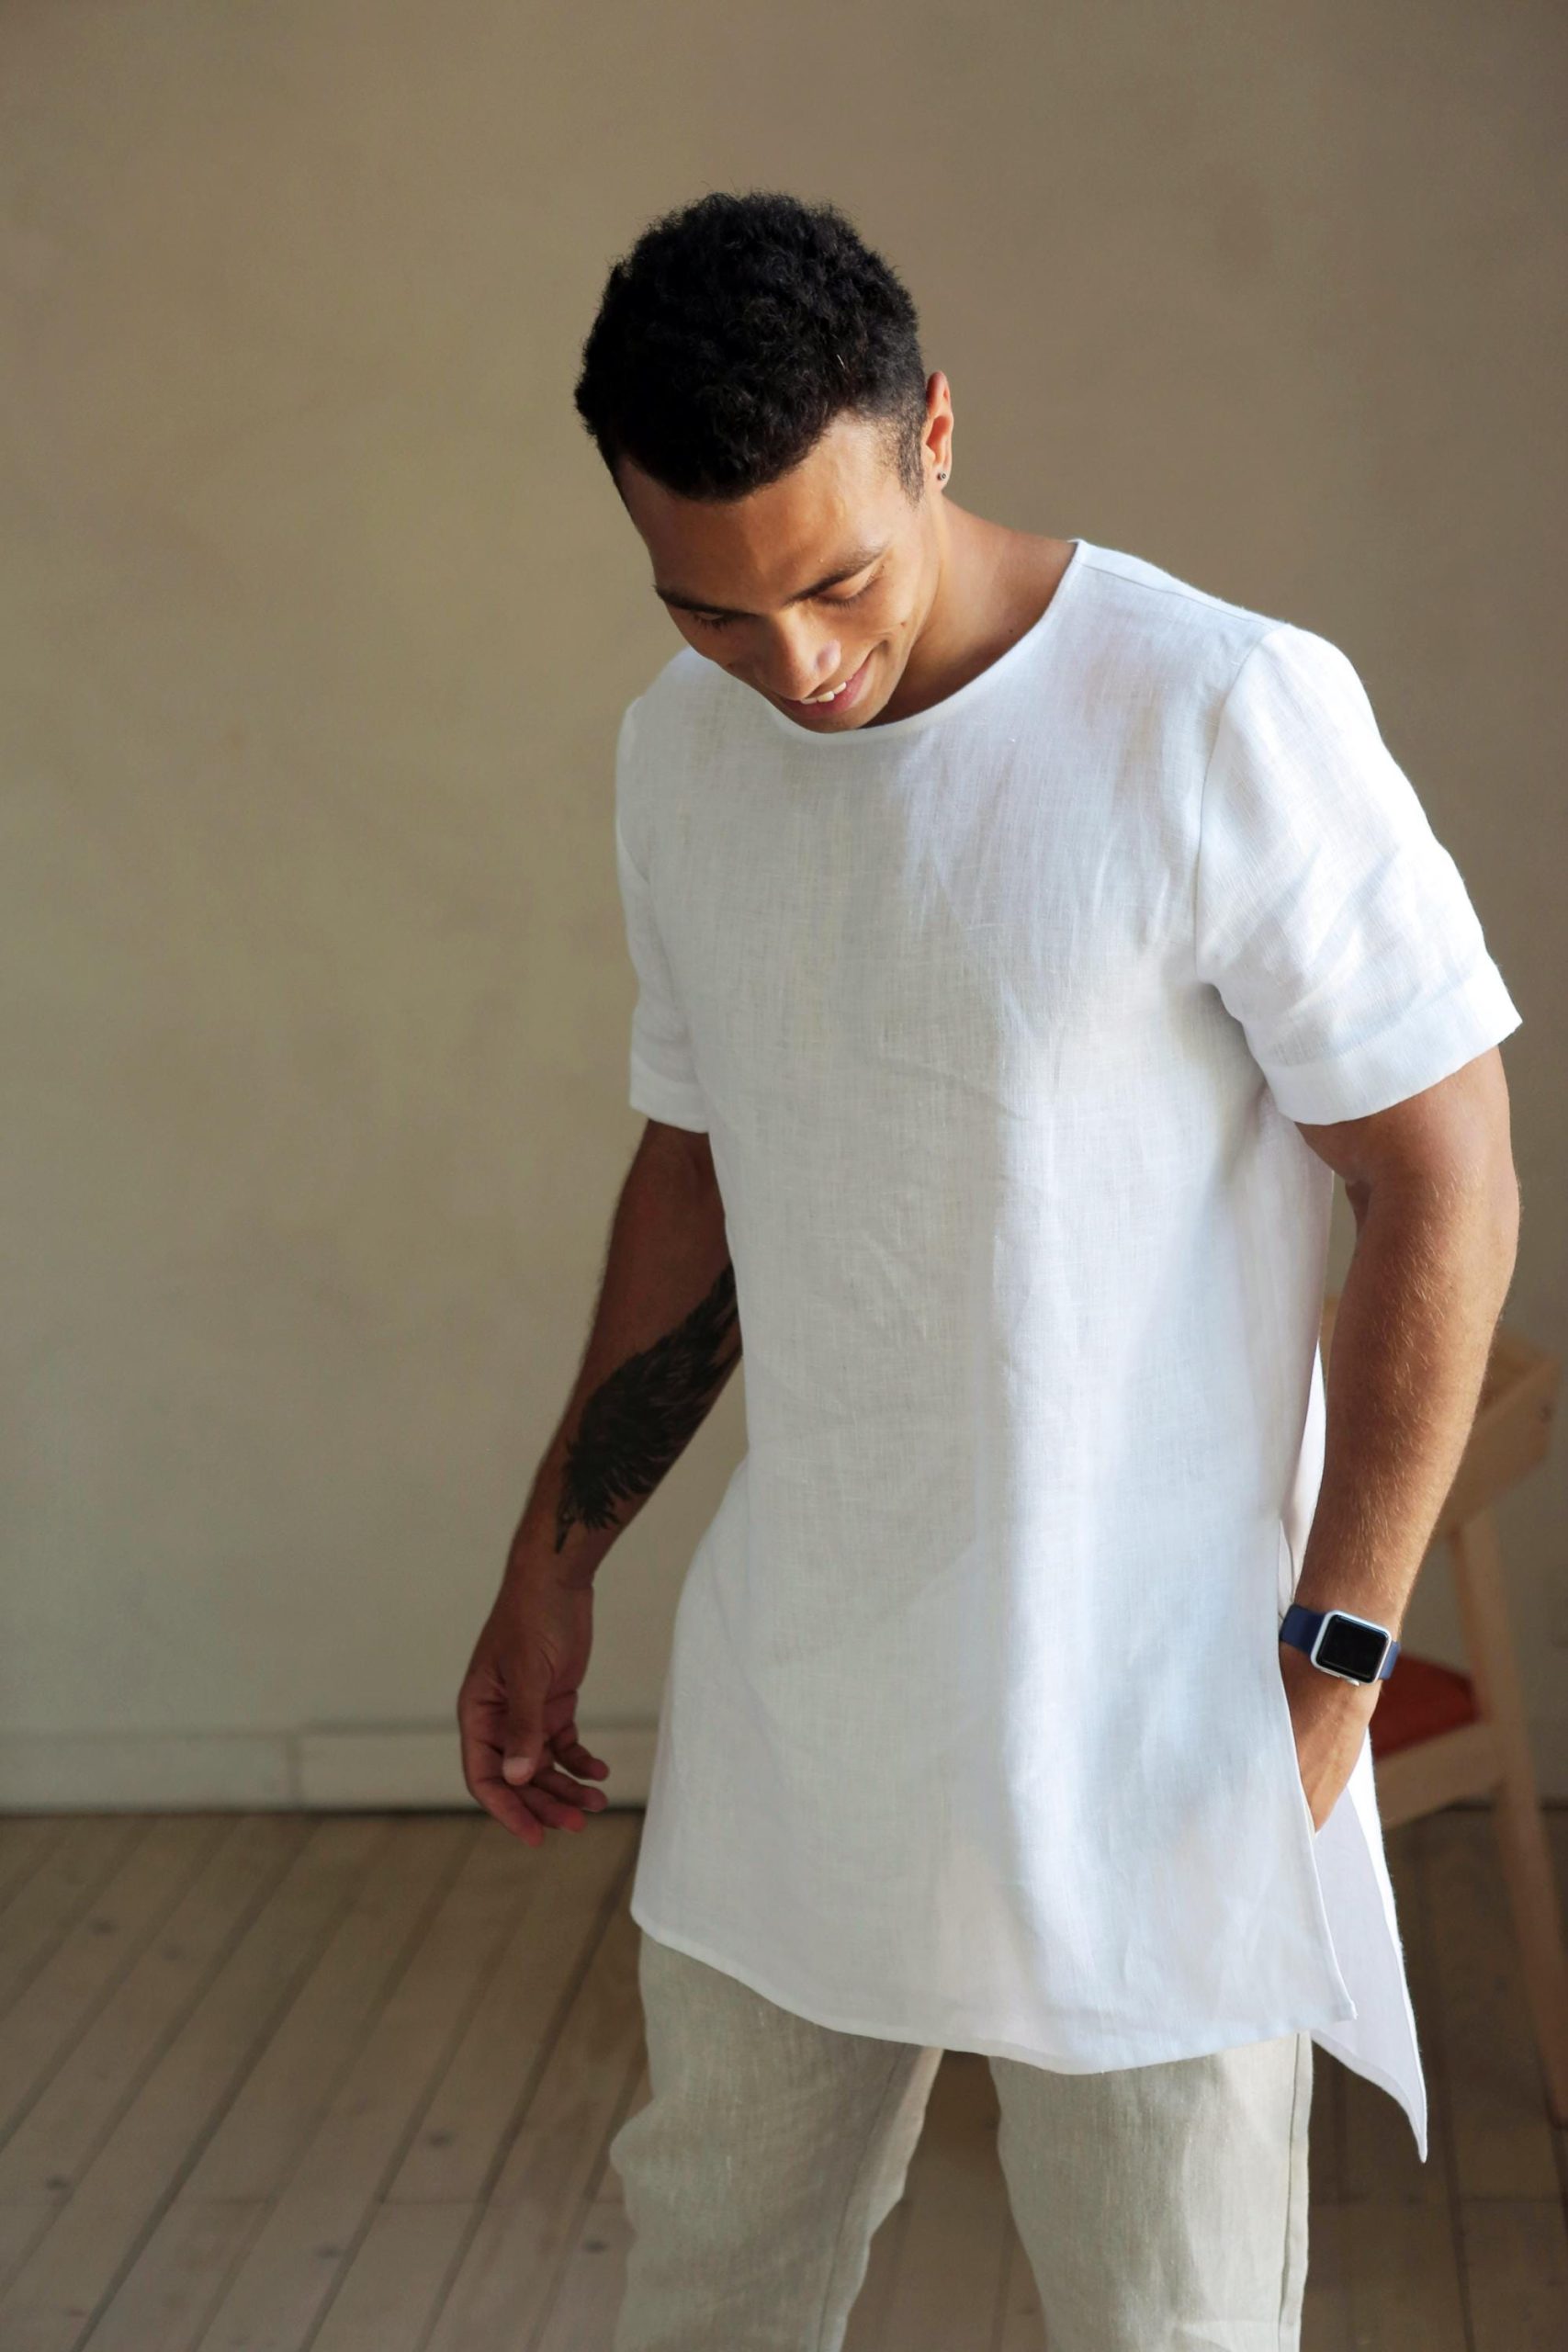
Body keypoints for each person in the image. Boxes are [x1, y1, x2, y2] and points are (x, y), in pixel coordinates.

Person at [457, 189, 1524, 2351]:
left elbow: (1444, 1175)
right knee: (710, 2297)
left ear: (933, 430)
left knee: (1166, 2324)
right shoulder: (679, 755)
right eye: (710, 610)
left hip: (1154, 1731)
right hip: (804, 1704)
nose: (794, 667)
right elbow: (698, 1168)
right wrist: (552, 1551)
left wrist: (1327, 1664)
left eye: (834, 582)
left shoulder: (1215, 710)